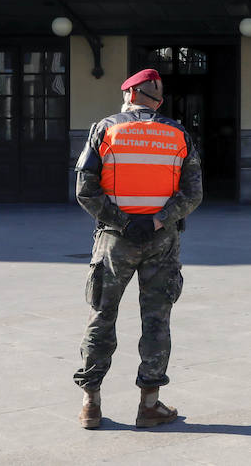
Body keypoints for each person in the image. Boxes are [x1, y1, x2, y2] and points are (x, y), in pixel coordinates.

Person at [72, 68, 203, 429]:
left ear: (129, 95)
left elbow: (86, 189)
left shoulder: (106, 129)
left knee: (102, 315)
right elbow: (192, 194)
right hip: (162, 241)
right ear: (158, 100)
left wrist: (124, 221)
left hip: (115, 239)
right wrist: (159, 220)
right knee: (157, 319)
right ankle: (149, 404)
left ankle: (90, 404)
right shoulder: (178, 134)